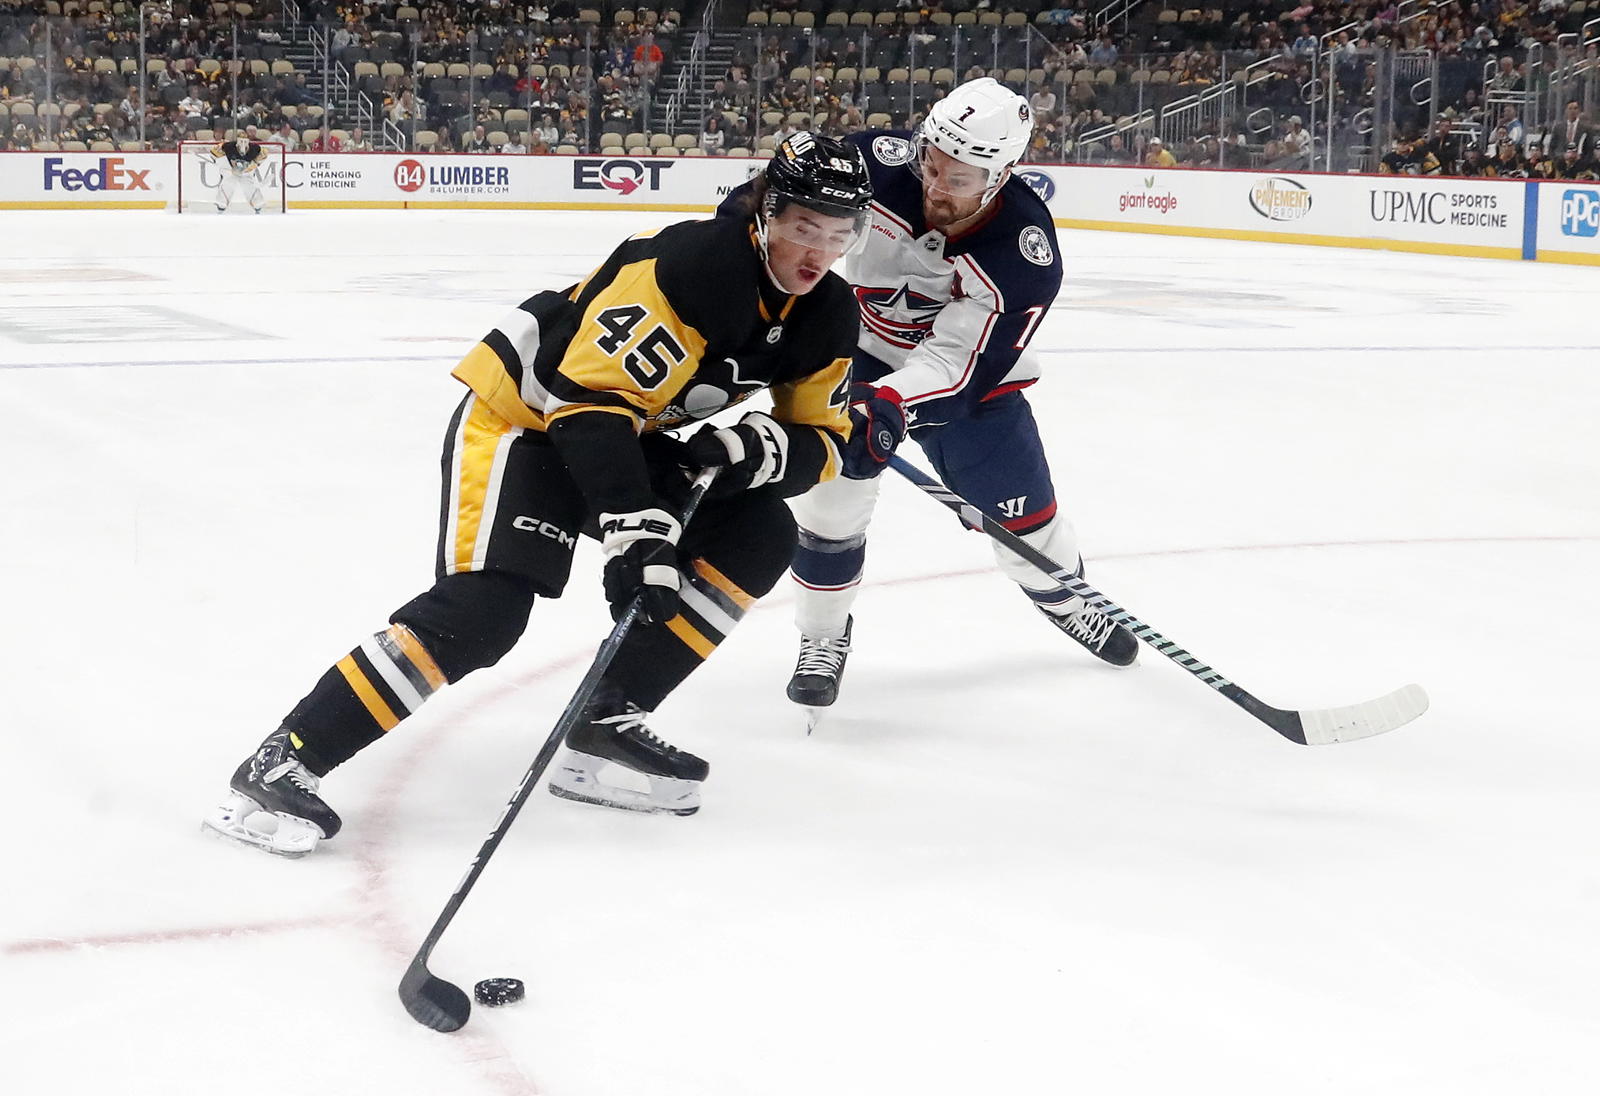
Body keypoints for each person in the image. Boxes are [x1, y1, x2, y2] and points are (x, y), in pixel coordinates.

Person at [201, 134, 874, 854]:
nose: (817, 253)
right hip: (525, 419)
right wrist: (637, 530)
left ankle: (606, 720)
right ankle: (285, 758)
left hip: (620, 432)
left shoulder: (827, 311)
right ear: (766, 211)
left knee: (760, 531)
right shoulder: (697, 264)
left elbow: (824, 441)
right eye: (805, 228)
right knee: (484, 613)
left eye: (838, 235)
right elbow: (586, 401)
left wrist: (754, 449)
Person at [719, 78, 1138, 719]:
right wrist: (732, 241)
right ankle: (823, 635)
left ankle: (1066, 599)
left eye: (959, 180)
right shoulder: (875, 167)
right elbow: (775, 210)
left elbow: (956, 364)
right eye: (930, 166)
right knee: (832, 504)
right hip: (854, 357)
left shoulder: (1023, 253)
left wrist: (889, 402)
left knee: (1024, 515)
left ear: (1000, 175)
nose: (936, 189)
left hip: (973, 388)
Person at [208, 131, 271, 213]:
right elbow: (213, 152)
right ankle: (221, 205)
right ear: (237, 141)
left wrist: (249, 167)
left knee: (249, 185)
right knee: (228, 182)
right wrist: (223, 164)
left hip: (246, 172)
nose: (243, 144)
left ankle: (257, 205)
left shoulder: (255, 148)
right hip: (231, 170)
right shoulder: (229, 146)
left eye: (245, 141)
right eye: (241, 141)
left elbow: (263, 156)